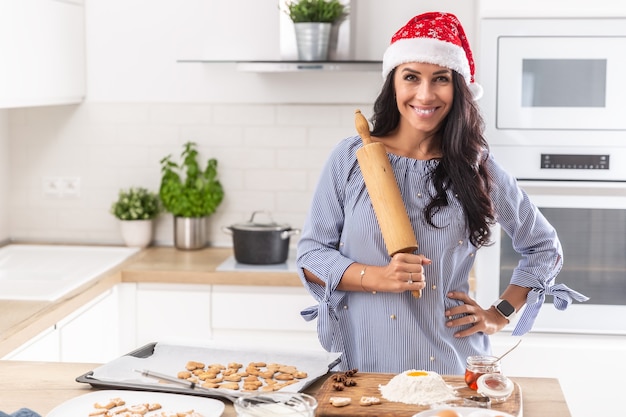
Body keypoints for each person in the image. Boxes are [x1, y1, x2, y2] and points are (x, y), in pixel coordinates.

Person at [296, 11, 588, 375]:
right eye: (411, 77)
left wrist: (500, 313)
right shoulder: (351, 158)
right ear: (394, 84)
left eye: (440, 79)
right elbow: (311, 257)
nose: (425, 94)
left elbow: (543, 247)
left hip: (453, 369)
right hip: (364, 370)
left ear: (459, 87)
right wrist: (376, 277)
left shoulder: (477, 167)